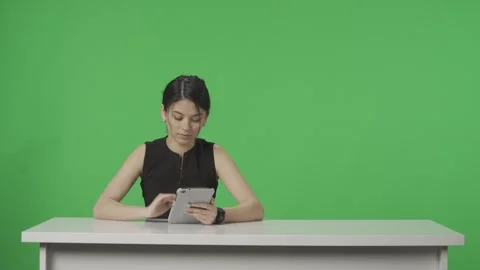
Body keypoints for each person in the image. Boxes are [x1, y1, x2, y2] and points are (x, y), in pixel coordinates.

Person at [93, 75, 264, 225]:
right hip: (154, 246)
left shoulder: (215, 154)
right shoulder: (145, 153)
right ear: (164, 113)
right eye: (178, 117)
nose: (186, 127)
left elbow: (255, 208)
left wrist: (220, 215)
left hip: (202, 247)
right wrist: (147, 212)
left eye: (195, 119)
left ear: (205, 118)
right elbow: (102, 207)